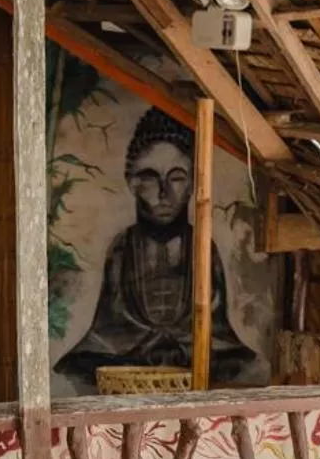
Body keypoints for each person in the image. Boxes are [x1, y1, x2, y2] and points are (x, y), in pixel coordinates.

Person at [55, 108, 253, 387]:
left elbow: (218, 333)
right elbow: (107, 332)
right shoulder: (123, 247)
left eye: (176, 177)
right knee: (77, 368)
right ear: (132, 182)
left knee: (243, 366)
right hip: (129, 360)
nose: (163, 193)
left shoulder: (202, 247)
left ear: (193, 184)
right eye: (149, 177)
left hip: (191, 363)